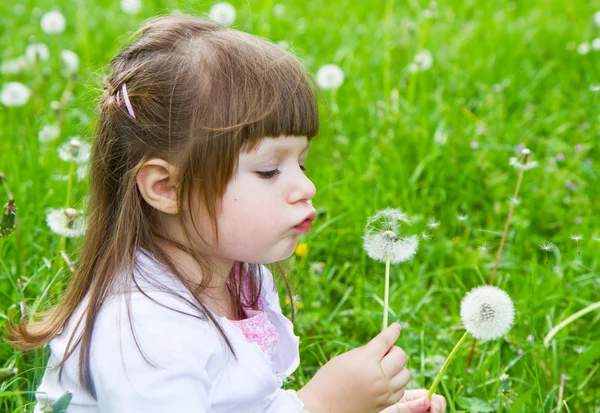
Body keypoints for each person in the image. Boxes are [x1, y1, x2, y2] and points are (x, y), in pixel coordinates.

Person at [7, 14, 446, 413]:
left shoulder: (237, 274)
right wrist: (322, 405)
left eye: (302, 163)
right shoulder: (142, 335)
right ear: (166, 188)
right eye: (270, 170)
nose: (306, 187)